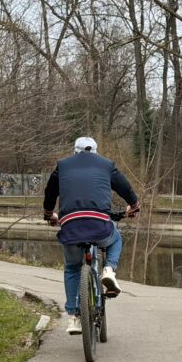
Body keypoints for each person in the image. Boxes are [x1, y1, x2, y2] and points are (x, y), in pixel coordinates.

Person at [43, 137, 140, 335]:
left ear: (75, 151)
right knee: (116, 239)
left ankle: (74, 318)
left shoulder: (62, 166)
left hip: (70, 225)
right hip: (100, 224)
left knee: (71, 268)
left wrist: (48, 215)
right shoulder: (106, 165)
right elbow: (125, 188)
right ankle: (109, 270)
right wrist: (134, 206)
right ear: (95, 151)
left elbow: (50, 194)